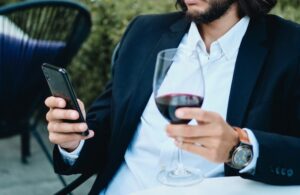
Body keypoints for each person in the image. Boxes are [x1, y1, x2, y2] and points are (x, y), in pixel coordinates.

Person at [45, 0, 300, 194]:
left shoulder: (290, 48)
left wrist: (241, 148)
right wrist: (73, 140)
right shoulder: (143, 32)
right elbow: (107, 128)